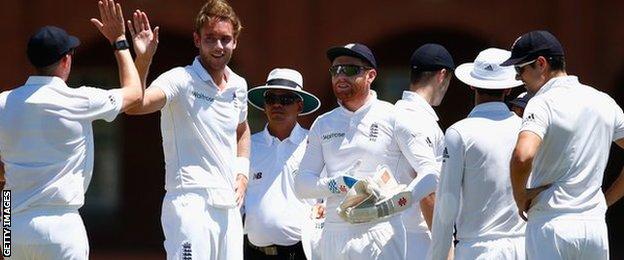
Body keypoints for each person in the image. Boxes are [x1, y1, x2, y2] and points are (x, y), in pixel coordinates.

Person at [0, 0, 142, 258]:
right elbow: (134, 93)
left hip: (10, 222)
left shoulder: (2, 103)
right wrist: (120, 41)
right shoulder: (80, 100)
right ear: (66, 60)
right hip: (61, 223)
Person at [124, 1, 250, 259]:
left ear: (235, 41)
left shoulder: (239, 84)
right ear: (197, 39)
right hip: (190, 202)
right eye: (210, 38)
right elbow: (135, 106)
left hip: (229, 205)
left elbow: (242, 129)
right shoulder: (180, 80)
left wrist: (242, 174)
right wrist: (144, 59)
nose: (218, 46)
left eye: (225, 39)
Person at [505, 30, 624, 259]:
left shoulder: (541, 103)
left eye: (520, 70)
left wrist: (520, 197)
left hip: (551, 224)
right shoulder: (603, 101)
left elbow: (522, 156)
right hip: (594, 228)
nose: (519, 78)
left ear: (541, 64)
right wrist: (605, 201)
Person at [294, 43, 408, 259]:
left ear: (371, 75)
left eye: (350, 70)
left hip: (380, 229)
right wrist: (339, 184)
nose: (341, 76)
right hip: (334, 231)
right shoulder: (323, 123)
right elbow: (302, 185)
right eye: (335, 70)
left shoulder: (393, 116)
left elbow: (425, 172)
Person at [428, 48, 526, 260]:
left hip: (477, 250)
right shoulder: (526, 130)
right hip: (525, 246)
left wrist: (437, 256)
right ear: (508, 88)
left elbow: (447, 203)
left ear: (472, 84)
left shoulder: (459, 133)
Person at [243, 68, 321, 259]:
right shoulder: (248, 145)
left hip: (301, 253)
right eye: (271, 99)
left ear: (299, 106)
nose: (277, 105)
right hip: (252, 252)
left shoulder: (314, 143)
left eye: (286, 99)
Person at [392, 43, 455, 259]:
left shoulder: (395, 112)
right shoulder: (418, 120)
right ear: (442, 76)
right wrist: (445, 248)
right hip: (415, 239)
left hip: (394, 234)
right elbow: (429, 190)